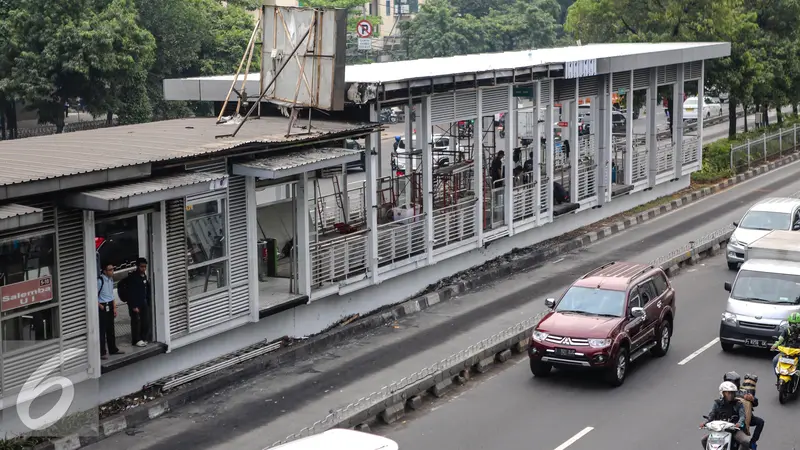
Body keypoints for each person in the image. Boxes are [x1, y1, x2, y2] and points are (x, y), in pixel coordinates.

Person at [700, 381, 751, 450]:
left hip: (734, 430)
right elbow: (712, 415)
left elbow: (742, 416)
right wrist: (705, 423)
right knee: (703, 440)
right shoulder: (717, 403)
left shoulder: (738, 404)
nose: (730, 395)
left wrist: (739, 423)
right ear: (723, 393)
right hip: (719, 431)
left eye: (732, 393)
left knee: (746, 441)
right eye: (728, 393)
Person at [723, 371, 764, 449]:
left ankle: (752, 442)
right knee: (706, 440)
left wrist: (752, 399)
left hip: (741, 420)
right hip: (727, 421)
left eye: (737, 382)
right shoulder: (723, 393)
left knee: (760, 422)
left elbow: (755, 402)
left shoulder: (744, 392)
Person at [119, 257, 152, 347]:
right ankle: (136, 339)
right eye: (142, 267)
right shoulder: (133, 278)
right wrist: (133, 306)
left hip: (144, 301)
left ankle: (143, 337)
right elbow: (131, 293)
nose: (143, 269)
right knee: (136, 322)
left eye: (145, 267)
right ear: (137, 266)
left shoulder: (144, 276)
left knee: (145, 321)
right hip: (135, 304)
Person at [98, 264, 123, 359]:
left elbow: (111, 294)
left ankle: (113, 348)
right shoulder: (100, 280)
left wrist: (114, 307)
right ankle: (102, 352)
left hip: (110, 305)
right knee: (102, 330)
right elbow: (94, 294)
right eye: (110, 270)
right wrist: (99, 305)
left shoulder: (110, 280)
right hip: (103, 306)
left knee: (111, 329)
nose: (112, 271)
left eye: (113, 269)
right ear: (105, 271)